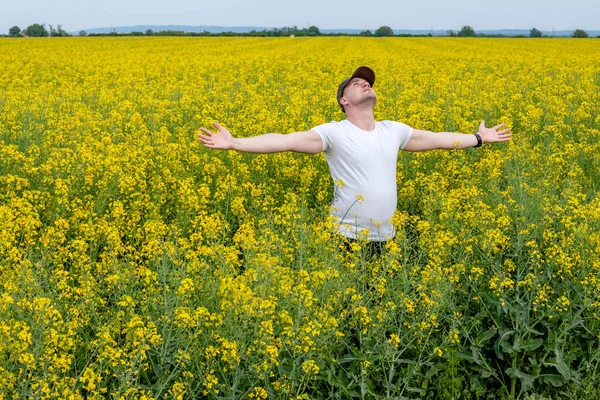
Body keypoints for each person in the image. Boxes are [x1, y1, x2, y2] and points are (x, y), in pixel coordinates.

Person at [196, 66, 512, 257]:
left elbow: (440, 140)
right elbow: (285, 140)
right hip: (345, 237)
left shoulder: (394, 131)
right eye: (356, 83)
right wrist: (236, 143)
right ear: (344, 101)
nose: (365, 83)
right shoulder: (334, 133)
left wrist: (480, 138)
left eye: (368, 82)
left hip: (386, 237)